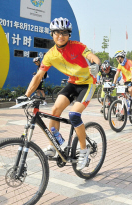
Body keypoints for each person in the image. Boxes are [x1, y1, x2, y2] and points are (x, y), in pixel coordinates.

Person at [17, 17, 101, 170]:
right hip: (72, 83)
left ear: (69, 35)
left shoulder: (77, 46)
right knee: (55, 110)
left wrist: (96, 65)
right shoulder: (50, 55)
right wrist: (26, 95)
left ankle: (84, 150)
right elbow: (38, 76)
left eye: (64, 33)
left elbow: (93, 57)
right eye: (57, 33)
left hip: (87, 84)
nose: (61, 36)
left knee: (74, 115)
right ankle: (52, 146)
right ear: (52, 34)